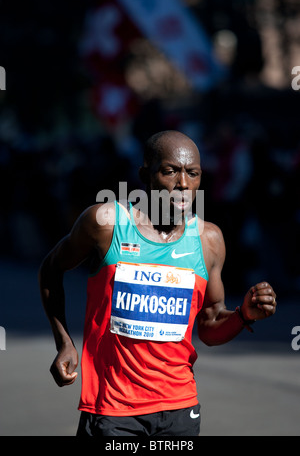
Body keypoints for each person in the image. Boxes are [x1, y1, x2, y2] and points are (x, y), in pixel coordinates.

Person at [38, 130, 277, 436]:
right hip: (113, 411)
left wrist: (243, 315)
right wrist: (64, 342)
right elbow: (50, 269)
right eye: (170, 172)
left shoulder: (209, 240)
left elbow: (210, 326)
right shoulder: (106, 224)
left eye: (192, 174)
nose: (182, 184)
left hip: (180, 410)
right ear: (145, 175)